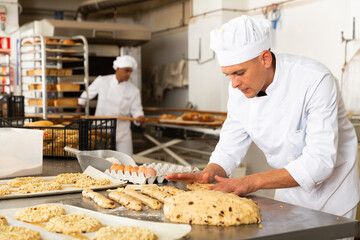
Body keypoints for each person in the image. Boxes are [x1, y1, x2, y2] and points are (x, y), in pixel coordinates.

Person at [166, 15, 360, 219]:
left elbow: (319, 162)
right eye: (228, 75)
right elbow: (228, 150)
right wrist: (207, 174)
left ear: (265, 58)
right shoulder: (238, 90)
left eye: (239, 73)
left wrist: (248, 182)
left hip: (333, 196)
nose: (233, 84)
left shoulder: (315, 80)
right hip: (288, 190)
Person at [78, 55, 145, 156]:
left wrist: (139, 118)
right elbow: (85, 96)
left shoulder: (133, 90)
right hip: (100, 130)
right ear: (118, 69)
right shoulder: (102, 81)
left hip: (122, 133)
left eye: (130, 71)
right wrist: (78, 110)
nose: (128, 74)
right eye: (126, 70)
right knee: (99, 161)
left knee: (126, 163)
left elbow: (137, 111)